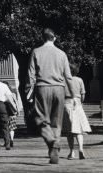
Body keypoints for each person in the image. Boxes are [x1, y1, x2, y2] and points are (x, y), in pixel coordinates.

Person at [26, 27, 74, 164]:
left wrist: (28, 93)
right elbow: (68, 77)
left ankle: (51, 140)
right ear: (55, 38)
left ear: (42, 38)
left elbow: (31, 75)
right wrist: (73, 94)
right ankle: (55, 145)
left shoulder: (36, 52)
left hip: (42, 88)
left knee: (41, 120)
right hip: (59, 89)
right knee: (56, 121)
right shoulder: (62, 54)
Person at [63, 65, 91, 160]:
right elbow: (83, 94)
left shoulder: (64, 80)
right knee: (79, 130)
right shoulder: (80, 80)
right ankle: (81, 149)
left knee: (69, 131)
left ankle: (72, 152)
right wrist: (80, 102)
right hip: (77, 104)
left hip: (67, 103)